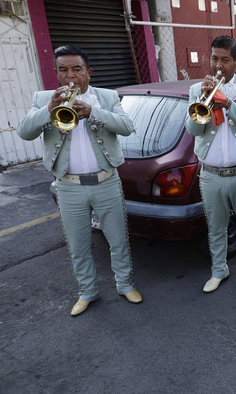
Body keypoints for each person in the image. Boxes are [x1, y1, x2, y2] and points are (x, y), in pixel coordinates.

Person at [17, 46, 141, 316]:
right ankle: (87, 292)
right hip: (68, 185)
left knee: (117, 239)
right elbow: (24, 132)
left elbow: (127, 126)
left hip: (107, 181)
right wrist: (49, 109)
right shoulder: (42, 98)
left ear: (88, 72)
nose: (70, 76)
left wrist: (93, 112)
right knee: (78, 244)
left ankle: (124, 284)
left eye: (76, 69)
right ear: (56, 72)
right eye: (63, 70)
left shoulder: (106, 97)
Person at [185, 35, 236, 295]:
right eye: (215, 59)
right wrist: (205, 98)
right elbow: (193, 129)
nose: (219, 66)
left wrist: (228, 103)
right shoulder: (197, 90)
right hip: (211, 175)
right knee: (215, 228)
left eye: (225, 60)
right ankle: (219, 271)